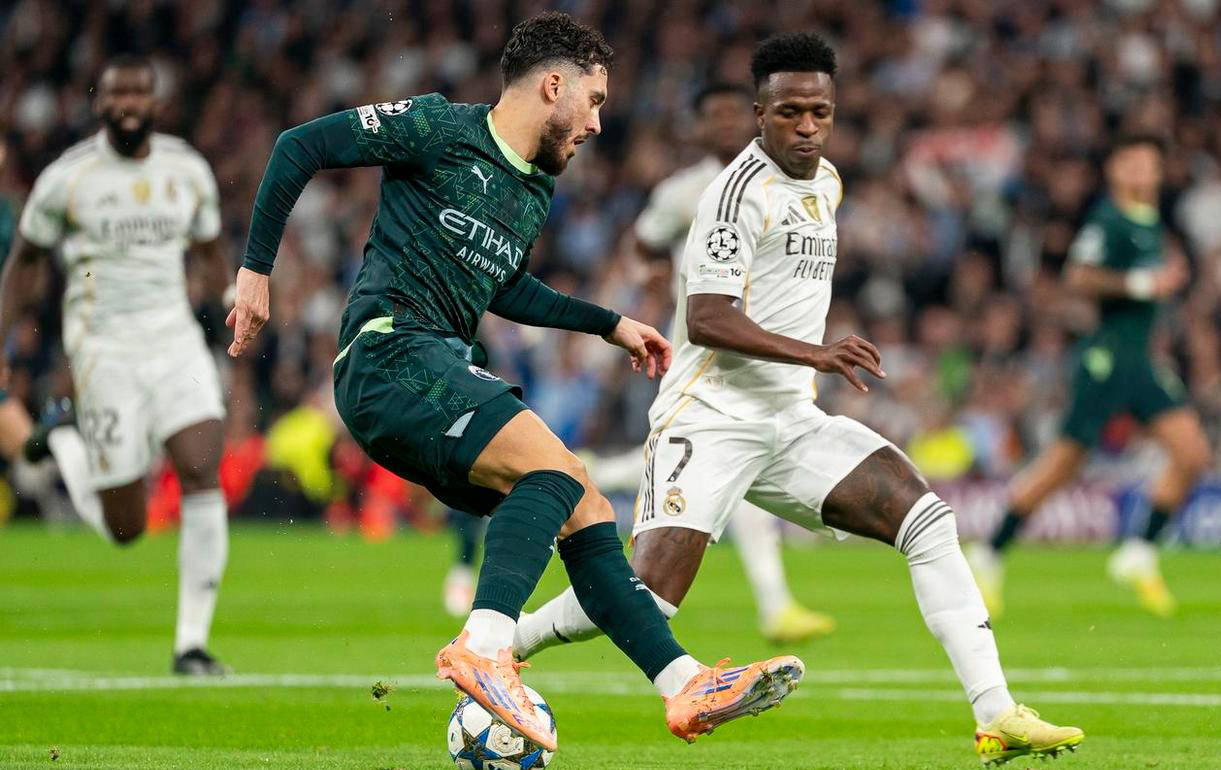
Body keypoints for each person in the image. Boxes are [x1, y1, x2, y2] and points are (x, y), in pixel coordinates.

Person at [228, 12, 804, 753]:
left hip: (434, 367)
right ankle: (484, 644)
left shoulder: (531, 190)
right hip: (390, 353)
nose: (597, 124)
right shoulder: (438, 128)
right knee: (554, 474)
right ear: (553, 85)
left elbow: (503, 287)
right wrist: (255, 272)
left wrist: (609, 323)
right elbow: (298, 145)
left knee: (585, 505)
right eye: (594, 101)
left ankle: (683, 682)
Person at [514, 33, 1083, 765]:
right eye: (790, 113)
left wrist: (808, 363)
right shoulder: (734, 195)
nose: (807, 126)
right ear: (761, 114)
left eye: (820, 112)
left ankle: (997, 714)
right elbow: (707, 318)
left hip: (790, 420)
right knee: (649, 597)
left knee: (928, 520)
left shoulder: (828, 183)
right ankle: (506, 644)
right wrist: (816, 352)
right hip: (710, 417)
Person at [0, 55, 234, 675]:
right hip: (104, 351)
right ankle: (66, 446)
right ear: (99, 103)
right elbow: (25, 261)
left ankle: (191, 645)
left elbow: (210, 249)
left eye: (139, 92)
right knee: (125, 529)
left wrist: (232, 299)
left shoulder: (186, 169)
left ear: (156, 102)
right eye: (116, 93)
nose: (128, 103)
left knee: (201, 467)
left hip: (175, 341)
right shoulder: (68, 178)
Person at [583, 82, 834, 643]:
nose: (723, 124)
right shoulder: (683, 192)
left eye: (731, 114)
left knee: (718, 464)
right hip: (704, 351)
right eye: (712, 115)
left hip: (760, 350)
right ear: (698, 128)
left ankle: (593, 473)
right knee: (730, 462)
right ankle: (776, 607)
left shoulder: (778, 184)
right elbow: (642, 244)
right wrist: (652, 280)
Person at [966, 134, 1212, 618]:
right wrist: (1142, 283)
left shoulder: (1150, 222)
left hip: (1141, 360)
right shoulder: (1109, 220)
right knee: (1064, 463)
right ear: (1115, 170)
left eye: (1150, 164)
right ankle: (989, 551)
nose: (1142, 172)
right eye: (1132, 162)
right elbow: (1078, 275)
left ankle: (1138, 553)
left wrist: (1167, 279)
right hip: (1107, 358)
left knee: (1192, 453)